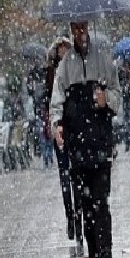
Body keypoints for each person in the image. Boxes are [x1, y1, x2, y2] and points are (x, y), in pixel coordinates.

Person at [50, 20, 120, 258]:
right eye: (75, 28)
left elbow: (117, 94)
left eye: (82, 27)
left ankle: (105, 256)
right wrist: (57, 125)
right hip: (77, 148)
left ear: (88, 27)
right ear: (71, 30)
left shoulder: (103, 60)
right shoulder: (65, 66)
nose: (79, 32)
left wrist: (106, 99)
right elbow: (56, 101)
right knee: (85, 207)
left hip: (100, 144)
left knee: (101, 203)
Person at [43, 36, 82, 243]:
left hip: (75, 127)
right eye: (60, 49)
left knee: (76, 176)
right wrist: (53, 123)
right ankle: (70, 216)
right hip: (60, 126)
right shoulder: (51, 73)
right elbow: (48, 100)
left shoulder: (76, 69)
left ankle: (78, 217)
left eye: (65, 48)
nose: (63, 52)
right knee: (65, 175)